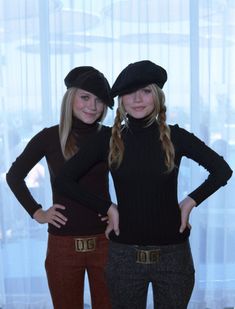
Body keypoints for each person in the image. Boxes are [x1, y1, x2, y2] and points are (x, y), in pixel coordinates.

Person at [55, 60, 233, 309]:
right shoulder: (107, 140)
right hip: (124, 258)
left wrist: (190, 202)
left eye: (146, 91)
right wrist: (107, 207)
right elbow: (63, 180)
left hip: (174, 257)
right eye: (129, 92)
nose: (138, 99)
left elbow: (222, 170)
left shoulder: (176, 136)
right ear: (121, 100)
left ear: (157, 97)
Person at [6, 66, 114, 309]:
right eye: (85, 97)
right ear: (70, 98)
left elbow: (135, 179)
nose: (92, 106)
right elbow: (14, 176)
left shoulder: (112, 136)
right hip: (63, 245)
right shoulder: (49, 137)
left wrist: (118, 210)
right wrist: (38, 212)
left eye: (99, 100)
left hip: (105, 241)